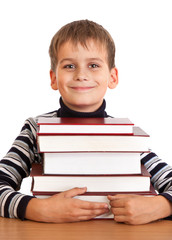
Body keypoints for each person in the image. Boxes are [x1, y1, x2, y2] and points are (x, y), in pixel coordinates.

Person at [0, 20, 172, 225]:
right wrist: (36, 209)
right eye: (69, 66)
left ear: (112, 77)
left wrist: (161, 205)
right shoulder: (35, 130)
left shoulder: (127, 137)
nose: (81, 75)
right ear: (54, 78)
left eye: (93, 65)